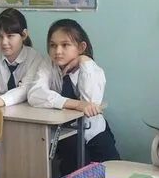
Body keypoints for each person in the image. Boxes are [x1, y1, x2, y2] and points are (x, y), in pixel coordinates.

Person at [29, 19, 120, 167]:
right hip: (66, 134)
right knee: (76, 174)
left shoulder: (91, 69)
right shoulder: (47, 65)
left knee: (112, 170)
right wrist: (76, 104)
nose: (58, 51)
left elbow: (91, 102)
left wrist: (83, 60)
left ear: (81, 47)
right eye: (53, 45)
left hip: (95, 132)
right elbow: (35, 94)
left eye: (65, 45)